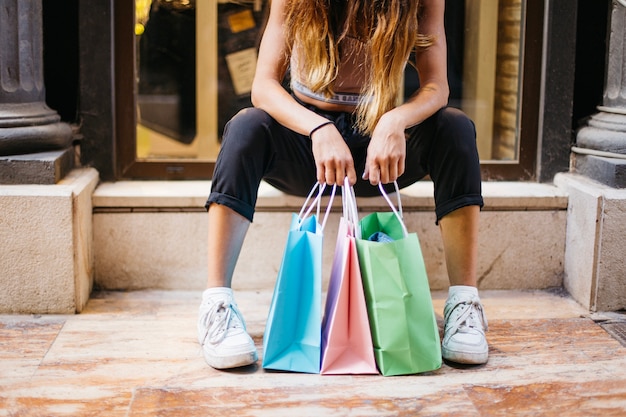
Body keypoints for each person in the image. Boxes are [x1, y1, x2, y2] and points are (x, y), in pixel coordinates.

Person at [197, 0, 488, 370]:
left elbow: (436, 86)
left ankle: (464, 304)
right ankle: (216, 304)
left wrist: (395, 121)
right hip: (309, 149)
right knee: (245, 127)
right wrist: (318, 128)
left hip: (377, 155)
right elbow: (263, 87)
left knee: (455, 128)